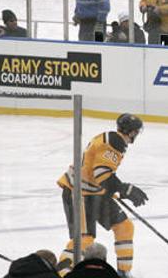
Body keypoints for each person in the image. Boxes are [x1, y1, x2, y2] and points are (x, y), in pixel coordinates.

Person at [57, 113, 147, 277]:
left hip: (94, 192)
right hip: (78, 192)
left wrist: (116, 190)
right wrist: (125, 189)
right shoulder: (114, 142)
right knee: (84, 240)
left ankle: (123, 273)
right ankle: (63, 273)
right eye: (135, 131)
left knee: (124, 227)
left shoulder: (112, 139)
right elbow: (102, 174)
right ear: (131, 131)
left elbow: (100, 174)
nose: (136, 135)